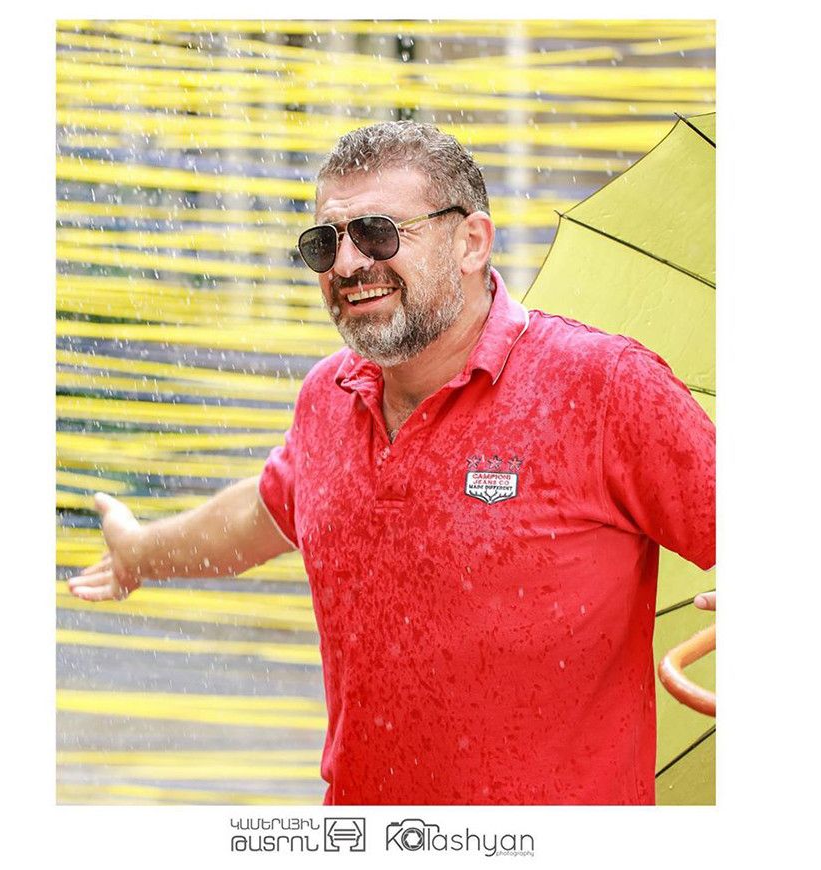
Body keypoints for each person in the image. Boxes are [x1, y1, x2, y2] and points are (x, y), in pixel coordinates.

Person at [69, 121, 715, 805]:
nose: (348, 265)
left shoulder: (603, 387)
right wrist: (141, 552)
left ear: (471, 242)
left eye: (378, 234)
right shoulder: (329, 394)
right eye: (325, 243)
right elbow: (266, 513)